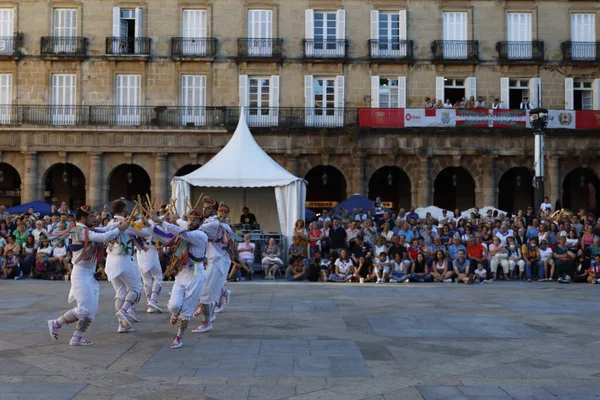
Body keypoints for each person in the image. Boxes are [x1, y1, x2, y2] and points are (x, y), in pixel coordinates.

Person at [47, 206, 128, 346]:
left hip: (89, 273)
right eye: (91, 217)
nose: (94, 219)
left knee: (91, 310)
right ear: (83, 218)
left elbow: (104, 230)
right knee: (84, 309)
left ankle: (76, 337)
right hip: (80, 273)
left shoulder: (87, 230)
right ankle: (55, 323)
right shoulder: (79, 231)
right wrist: (120, 229)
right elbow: (103, 236)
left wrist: (118, 224)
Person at [152, 209, 208, 349]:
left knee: (187, 311)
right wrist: (150, 224)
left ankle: (179, 337)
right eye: (189, 219)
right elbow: (166, 238)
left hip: (196, 274)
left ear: (201, 222)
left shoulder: (200, 235)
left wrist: (163, 221)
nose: (191, 221)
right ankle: (176, 312)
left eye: (195, 220)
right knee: (174, 306)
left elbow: (181, 232)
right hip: (182, 273)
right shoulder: (186, 233)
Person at [103, 200, 151, 333]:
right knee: (136, 289)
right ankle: (124, 311)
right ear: (124, 209)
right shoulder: (128, 222)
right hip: (124, 259)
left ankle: (122, 325)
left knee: (120, 292)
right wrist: (146, 223)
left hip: (110, 260)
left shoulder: (110, 223)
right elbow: (146, 233)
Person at [193, 202, 234, 332]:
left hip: (215, 261)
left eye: (208, 208)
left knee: (206, 293)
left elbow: (192, 232)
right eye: (204, 207)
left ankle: (206, 322)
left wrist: (173, 221)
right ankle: (220, 298)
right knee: (203, 288)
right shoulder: (212, 222)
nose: (205, 209)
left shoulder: (215, 224)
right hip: (204, 260)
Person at [137, 219, 167, 314]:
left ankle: (150, 303)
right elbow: (164, 237)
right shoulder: (154, 226)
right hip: (151, 252)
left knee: (146, 279)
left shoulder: (137, 225)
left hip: (140, 253)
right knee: (158, 276)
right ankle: (152, 300)